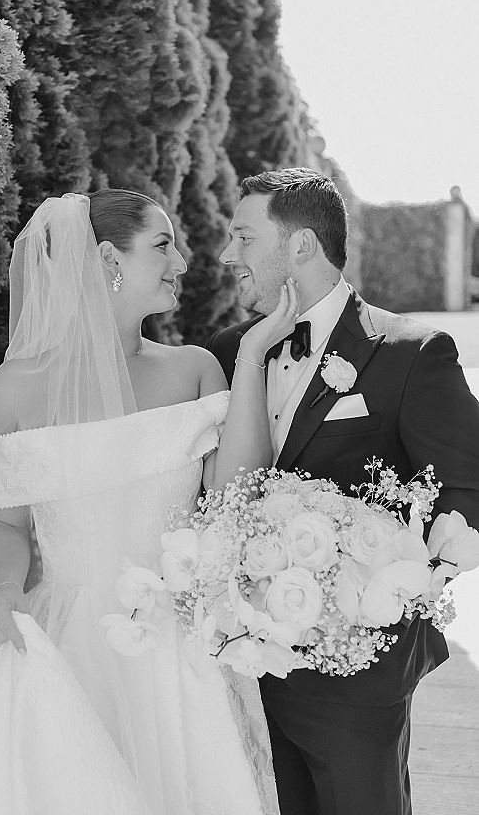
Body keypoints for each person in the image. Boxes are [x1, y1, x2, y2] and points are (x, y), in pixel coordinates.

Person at [0, 190, 299, 815]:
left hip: (173, 649)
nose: (184, 261)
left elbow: (233, 498)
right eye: (163, 245)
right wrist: (4, 590)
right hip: (64, 642)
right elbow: (2, 520)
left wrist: (250, 358)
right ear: (110, 258)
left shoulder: (196, 370)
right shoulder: (13, 390)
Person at [207, 167, 479, 815]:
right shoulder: (225, 355)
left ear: (300, 247)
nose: (225, 255)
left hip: (359, 680)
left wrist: (395, 597)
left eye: (243, 237)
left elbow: (470, 491)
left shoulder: (412, 353)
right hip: (248, 675)